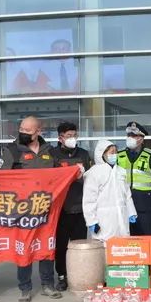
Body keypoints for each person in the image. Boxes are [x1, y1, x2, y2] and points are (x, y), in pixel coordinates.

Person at [0, 116, 61, 302]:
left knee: (46, 247)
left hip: (46, 208)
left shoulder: (50, 151)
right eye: (21, 129)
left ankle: (48, 284)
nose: (23, 133)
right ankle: (25, 288)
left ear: (38, 131)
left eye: (28, 130)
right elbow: (0, 179)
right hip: (22, 210)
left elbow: (59, 175)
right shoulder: (11, 151)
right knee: (24, 248)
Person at [51, 122, 92, 291]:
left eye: (74, 135)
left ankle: (79, 275)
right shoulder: (52, 155)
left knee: (79, 246)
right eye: (68, 136)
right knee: (61, 246)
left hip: (80, 208)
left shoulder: (83, 154)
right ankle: (62, 276)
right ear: (60, 138)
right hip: (61, 209)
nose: (72, 139)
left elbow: (91, 178)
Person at [82, 139, 138, 241]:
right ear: (102, 154)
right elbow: (89, 200)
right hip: (103, 219)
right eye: (111, 152)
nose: (115, 155)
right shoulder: (94, 173)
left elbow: (127, 195)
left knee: (122, 245)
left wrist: (131, 212)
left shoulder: (121, 171)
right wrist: (91, 221)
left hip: (121, 215)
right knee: (105, 246)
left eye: (116, 152)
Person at [116, 122, 151, 236]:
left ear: (141, 139)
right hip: (124, 201)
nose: (130, 138)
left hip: (143, 201)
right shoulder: (120, 155)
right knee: (126, 237)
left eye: (134, 136)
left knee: (145, 236)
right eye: (129, 135)